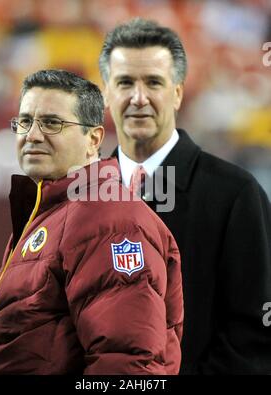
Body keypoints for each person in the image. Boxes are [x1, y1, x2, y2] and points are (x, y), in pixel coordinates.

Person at [0, 69, 183, 375]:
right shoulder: (55, 212)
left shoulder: (109, 218)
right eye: (25, 121)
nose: (32, 135)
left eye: (52, 123)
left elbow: (129, 363)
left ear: (93, 138)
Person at [99, 18, 271, 374]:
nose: (138, 97)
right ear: (106, 93)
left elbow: (255, 334)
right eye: (125, 82)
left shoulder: (236, 195)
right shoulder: (80, 195)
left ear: (178, 92)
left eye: (154, 83)